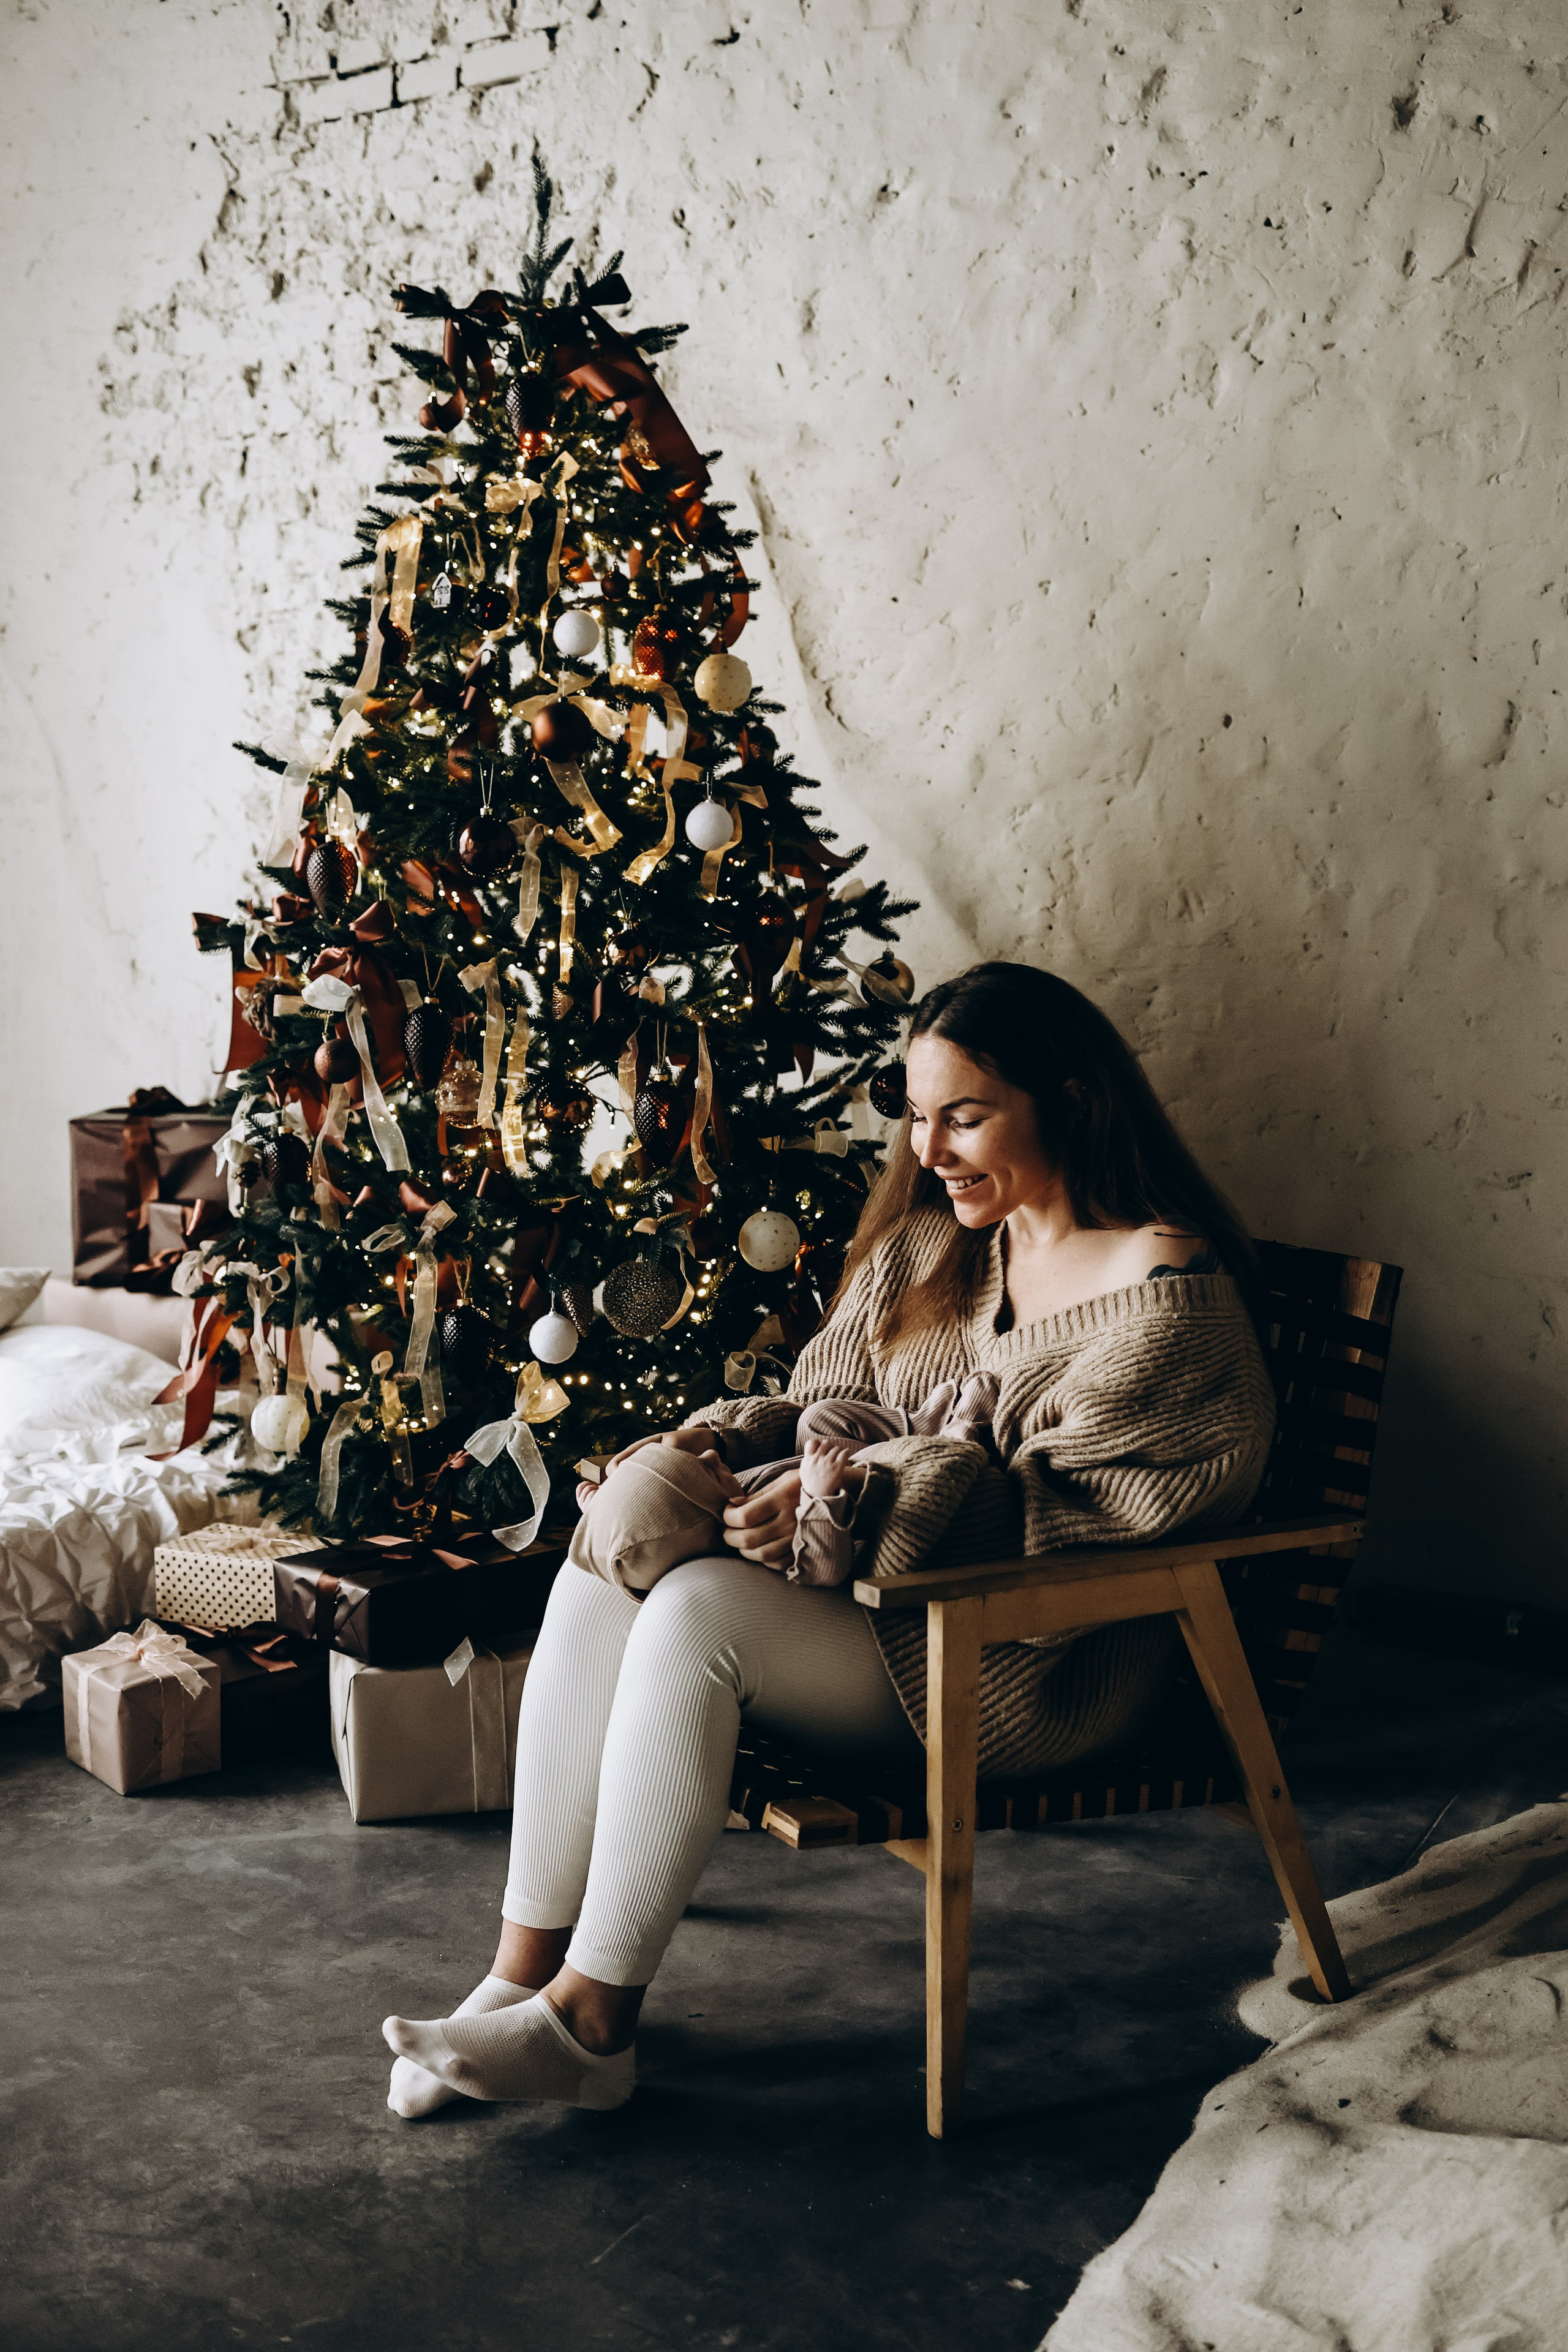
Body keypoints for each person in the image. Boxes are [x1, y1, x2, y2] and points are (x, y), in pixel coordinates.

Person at [383, 961, 1276, 2119]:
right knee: (607, 1566)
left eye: (965, 1117)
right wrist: (717, 1450)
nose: (929, 1149)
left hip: (1028, 1665)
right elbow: (820, 1401)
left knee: (696, 1614)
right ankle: (517, 1980)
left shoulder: (1167, 1296)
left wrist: (848, 1495)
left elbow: (1073, 1531)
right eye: (917, 1114)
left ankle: (593, 2028)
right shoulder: (931, 1248)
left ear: (1070, 1098)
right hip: (876, 1617)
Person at [565, 1370, 1003, 1594]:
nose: (713, 1456)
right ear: (706, 1517)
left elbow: (629, 1538)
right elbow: (822, 1568)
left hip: (810, 1456)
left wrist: (601, 1509)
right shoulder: (757, 1538)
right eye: (706, 1470)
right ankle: (957, 1436)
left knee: (818, 1417)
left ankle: (922, 1423)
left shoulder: (694, 1516)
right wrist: (821, 1496)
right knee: (862, 1453)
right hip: (877, 1491)